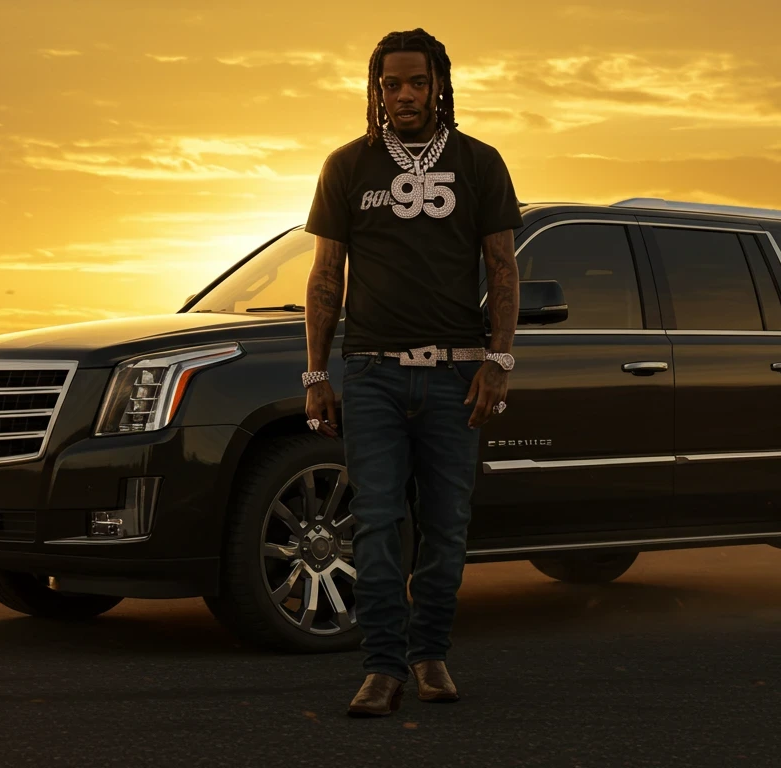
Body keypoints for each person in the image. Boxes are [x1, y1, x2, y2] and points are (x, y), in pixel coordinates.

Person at [299, 27, 523, 717]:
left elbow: (503, 267)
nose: (403, 95)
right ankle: (382, 668)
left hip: (457, 376)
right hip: (372, 374)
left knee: (447, 526)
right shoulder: (348, 166)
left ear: (439, 86)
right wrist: (315, 372)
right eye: (390, 84)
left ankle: (430, 655)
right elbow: (326, 276)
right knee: (374, 522)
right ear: (376, 90)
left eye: (416, 83)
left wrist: (499, 361)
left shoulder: (480, 164)